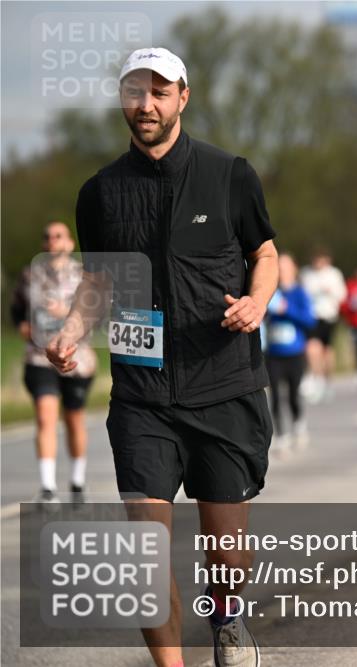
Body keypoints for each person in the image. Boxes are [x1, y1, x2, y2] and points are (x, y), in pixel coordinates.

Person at [46, 48, 276, 667]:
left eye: (159, 91)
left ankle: (228, 617)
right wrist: (70, 331)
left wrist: (255, 303)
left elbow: (267, 255)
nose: (145, 104)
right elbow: (98, 282)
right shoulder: (100, 192)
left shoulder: (230, 175)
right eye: (133, 91)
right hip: (143, 397)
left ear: (183, 97)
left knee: (226, 552)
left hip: (224, 385)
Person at [11, 222, 97, 506]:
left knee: (73, 420)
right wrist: (22, 325)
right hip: (39, 356)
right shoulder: (30, 275)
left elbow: (96, 314)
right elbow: (16, 308)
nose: (52, 241)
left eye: (58, 236)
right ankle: (48, 487)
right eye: (47, 237)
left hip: (76, 357)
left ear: (69, 243)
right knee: (45, 416)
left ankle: (77, 481)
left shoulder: (85, 276)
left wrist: (68, 313)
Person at [265, 254, 316, 456]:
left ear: (294, 268)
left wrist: (287, 310)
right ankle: (281, 435)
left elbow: (309, 321)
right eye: (280, 266)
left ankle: (298, 422)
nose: (283, 270)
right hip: (274, 352)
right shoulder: (270, 290)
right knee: (275, 395)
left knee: (293, 394)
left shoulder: (300, 293)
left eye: (286, 266)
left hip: (294, 352)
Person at [299, 249, 346, 404]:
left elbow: (342, 295)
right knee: (313, 347)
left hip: (328, 316)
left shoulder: (334, 274)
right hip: (312, 317)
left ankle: (327, 381)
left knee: (326, 351)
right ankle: (316, 378)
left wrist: (330, 292)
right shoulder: (306, 274)